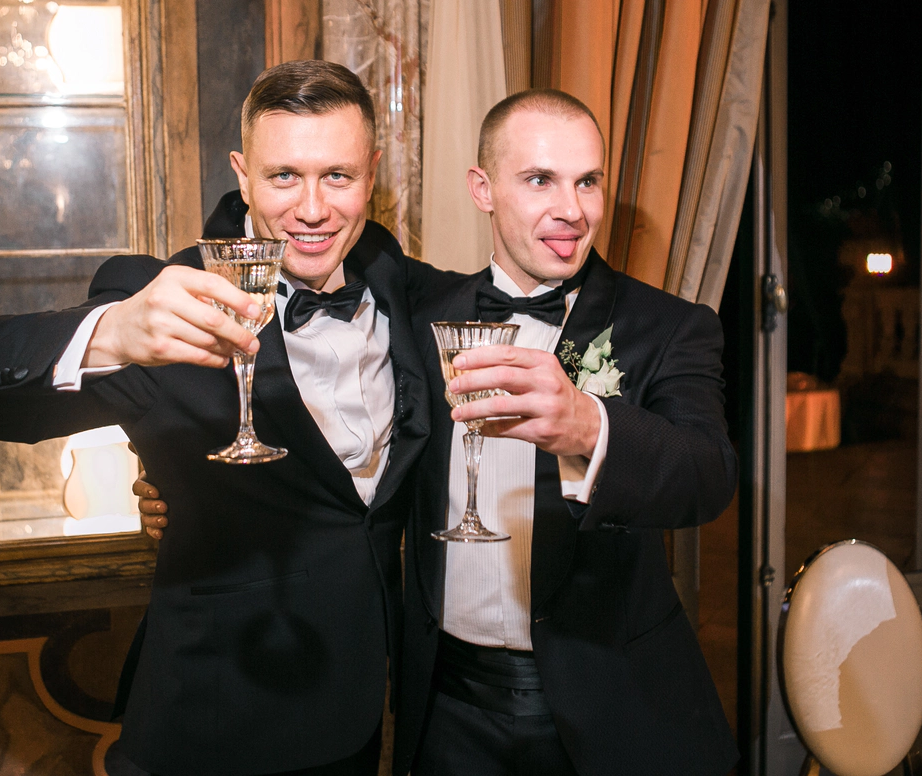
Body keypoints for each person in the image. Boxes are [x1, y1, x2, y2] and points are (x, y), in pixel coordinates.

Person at [141, 90, 739, 776]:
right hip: (445, 709)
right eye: (539, 180)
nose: (571, 209)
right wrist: (180, 486)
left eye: (588, 182)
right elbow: (327, 419)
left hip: (609, 705)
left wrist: (589, 425)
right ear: (482, 189)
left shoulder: (669, 326)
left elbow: (708, 473)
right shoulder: (419, 311)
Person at [0, 60, 449, 776]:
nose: (313, 208)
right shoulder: (165, 299)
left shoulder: (394, 279)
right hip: (210, 720)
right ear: (242, 175)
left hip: (355, 720)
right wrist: (111, 334)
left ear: (373, 173)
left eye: (338, 176)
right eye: (284, 176)